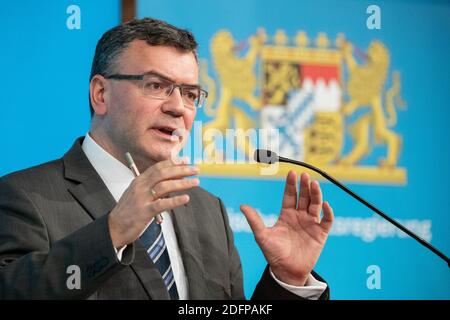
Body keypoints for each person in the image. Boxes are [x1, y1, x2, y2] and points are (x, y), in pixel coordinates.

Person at [0, 18, 334, 300]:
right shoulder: (24, 197)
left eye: (190, 94)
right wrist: (113, 232)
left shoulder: (208, 211)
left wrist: (287, 280)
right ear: (101, 94)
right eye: (157, 85)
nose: (178, 107)